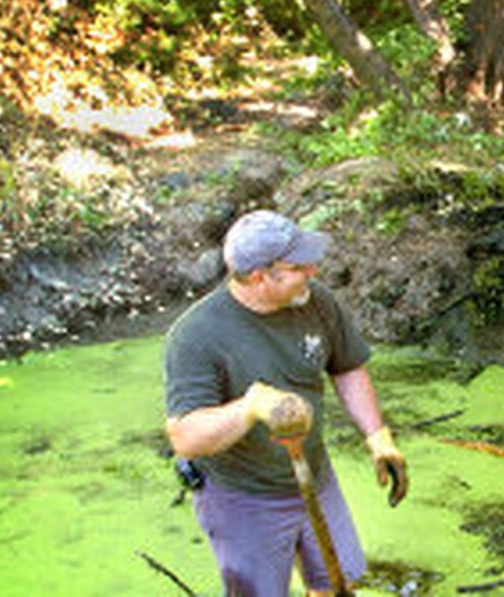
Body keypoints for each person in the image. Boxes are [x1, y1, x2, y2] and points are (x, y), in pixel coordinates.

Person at [164, 209, 408, 596]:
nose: (313, 270)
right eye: (298, 266)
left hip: (315, 478)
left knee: (336, 583)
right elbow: (186, 437)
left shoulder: (317, 302)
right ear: (259, 276)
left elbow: (347, 368)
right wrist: (249, 408)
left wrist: (378, 437)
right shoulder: (197, 335)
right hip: (244, 496)